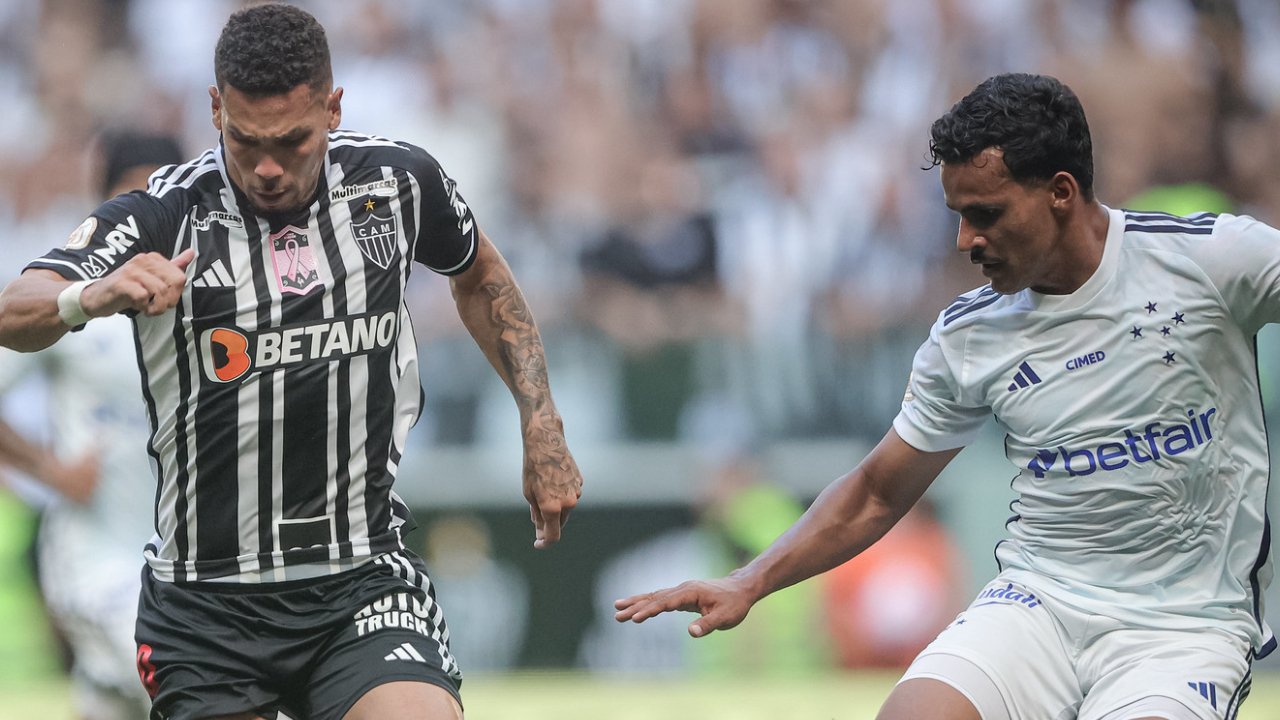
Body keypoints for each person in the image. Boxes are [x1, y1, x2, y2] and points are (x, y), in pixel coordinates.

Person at [615, 72, 1273, 719]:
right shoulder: (970, 334)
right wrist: (748, 580)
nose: (965, 242)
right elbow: (876, 492)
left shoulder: (1208, 262)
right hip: (1039, 608)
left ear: (1061, 193)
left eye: (986, 215)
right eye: (958, 217)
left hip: (1182, 627)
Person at [0, 4, 583, 720]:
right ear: (215, 109)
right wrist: (87, 296)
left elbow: (481, 274)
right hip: (206, 605)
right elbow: (13, 310)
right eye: (245, 141)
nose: (268, 167)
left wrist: (540, 419)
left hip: (359, 581)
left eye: (292, 141)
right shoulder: (164, 214)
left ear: (332, 109)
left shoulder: (396, 186)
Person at [0, 129, 184, 720]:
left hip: (184, 563)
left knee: (116, 701)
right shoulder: (76, 303)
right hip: (96, 557)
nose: (145, 223)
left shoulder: (209, 304)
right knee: (190, 687)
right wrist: (51, 470)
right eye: (131, 198)